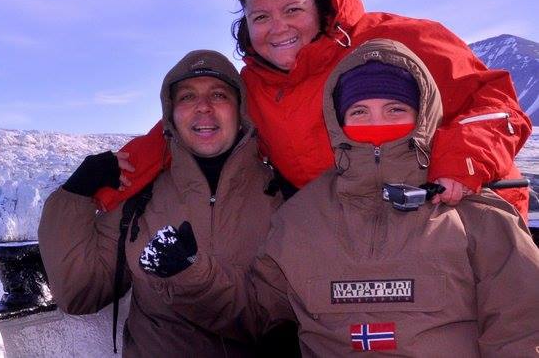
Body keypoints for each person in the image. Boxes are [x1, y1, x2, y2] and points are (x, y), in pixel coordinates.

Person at [149, 39, 539, 355]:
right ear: (339, 121)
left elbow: (522, 333)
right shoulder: (301, 219)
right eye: (360, 112)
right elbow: (257, 312)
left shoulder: (476, 216)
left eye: (395, 109)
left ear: (423, 115)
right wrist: (190, 274)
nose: (377, 125)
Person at [96, 0, 531, 218]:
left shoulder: (398, 41)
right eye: (260, 17)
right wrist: (100, 186)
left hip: (458, 213)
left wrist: (459, 164)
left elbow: (496, 103)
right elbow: (179, 137)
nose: (277, 28)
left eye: (293, 10)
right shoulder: (255, 88)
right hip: (353, 231)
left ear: (320, 6)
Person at [38, 50, 285, 357]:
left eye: (219, 95)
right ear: (170, 114)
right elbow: (80, 293)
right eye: (187, 97)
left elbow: (282, 315)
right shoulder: (142, 198)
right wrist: (73, 195)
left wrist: (189, 275)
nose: (203, 108)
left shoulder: (280, 197)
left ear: (240, 109)